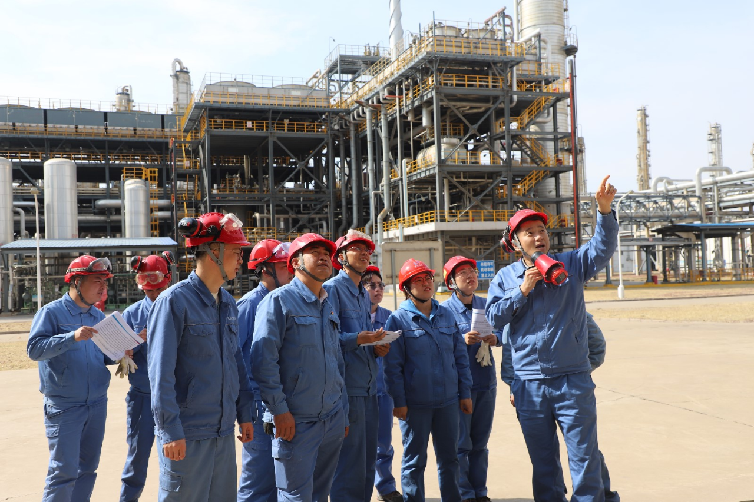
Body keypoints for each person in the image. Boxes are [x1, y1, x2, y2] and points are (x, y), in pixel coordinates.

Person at [485, 175, 618, 501]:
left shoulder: (570, 264)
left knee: (584, 457)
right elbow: (494, 318)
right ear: (515, 242)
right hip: (529, 384)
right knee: (543, 462)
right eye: (529, 232)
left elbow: (602, 249)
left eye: (542, 230)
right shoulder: (505, 278)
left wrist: (604, 212)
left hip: (572, 380)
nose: (539, 236)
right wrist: (522, 290)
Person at [147, 212, 254, 502]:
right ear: (213, 251)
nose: (241, 259)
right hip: (187, 434)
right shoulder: (173, 302)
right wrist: (170, 430)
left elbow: (236, 361)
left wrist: (245, 412)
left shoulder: (228, 302)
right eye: (236, 251)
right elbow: (160, 374)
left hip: (222, 432)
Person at [251, 233, 349, 502]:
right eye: (314, 252)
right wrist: (279, 411)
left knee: (320, 494)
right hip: (296, 423)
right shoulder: (278, 301)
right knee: (295, 496)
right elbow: (263, 362)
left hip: (332, 418)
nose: (323, 257)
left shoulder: (327, 303)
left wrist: (343, 412)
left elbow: (337, 361)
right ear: (295, 262)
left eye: (327, 254)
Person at [501, 312, 620, 502]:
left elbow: (597, 347)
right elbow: (509, 353)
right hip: (531, 392)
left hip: (571, 388)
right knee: (543, 456)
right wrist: (514, 385)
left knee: (584, 451)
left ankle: (603, 496)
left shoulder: (573, 310)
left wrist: (577, 373)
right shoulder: (518, 313)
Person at [384, 258, 473, 502]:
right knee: (414, 461)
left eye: (428, 278)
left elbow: (460, 358)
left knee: (450, 459)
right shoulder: (398, 320)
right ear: (406, 287)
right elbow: (393, 367)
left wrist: (465, 393)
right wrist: (399, 401)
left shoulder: (446, 315)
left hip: (448, 403)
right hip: (415, 406)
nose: (426, 284)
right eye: (418, 280)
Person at [27, 255, 114, 501]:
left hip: (97, 404)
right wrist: (71, 337)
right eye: (97, 281)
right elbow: (34, 350)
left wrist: (121, 355)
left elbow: (101, 356)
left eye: (105, 282)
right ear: (76, 282)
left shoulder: (98, 317)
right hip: (65, 407)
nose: (103, 287)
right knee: (63, 472)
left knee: (87, 469)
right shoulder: (51, 313)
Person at [325, 230, 387, 502]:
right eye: (357, 248)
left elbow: (361, 337)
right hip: (347, 389)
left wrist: (376, 347)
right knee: (349, 464)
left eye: (367, 249)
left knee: (367, 461)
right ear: (341, 256)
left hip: (369, 387)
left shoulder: (363, 293)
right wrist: (359, 339)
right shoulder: (332, 289)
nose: (364, 253)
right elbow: (327, 340)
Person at [441, 256, 502, 502]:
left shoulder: (487, 305)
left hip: (486, 382)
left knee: (480, 443)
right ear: (451, 282)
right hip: (459, 387)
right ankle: (465, 494)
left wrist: (495, 338)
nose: (470, 276)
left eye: (472, 271)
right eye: (463, 273)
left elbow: (504, 331)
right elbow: (437, 346)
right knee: (460, 444)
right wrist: (460, 340)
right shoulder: (443, 312)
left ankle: (480, 492)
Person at [237, 239, 293, 502]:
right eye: (283, 266)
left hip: (282, 400)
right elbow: (234, 357)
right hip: (258, 405)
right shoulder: (249, 305)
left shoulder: (286, 301)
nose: (290, 271)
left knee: (279, 476)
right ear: (265, 269)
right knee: (258, 478)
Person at [119, 252, 175, 502]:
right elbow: (118, 357)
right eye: (148, 291)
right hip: (142, 398)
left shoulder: (179, 309)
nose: (153, 295)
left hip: (174, 399)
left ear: (168, 281)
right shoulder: (131, 314)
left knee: (174, 462)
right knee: (137, 459)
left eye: (158, 290)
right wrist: (131, 345)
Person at [363, 266, 402, 502]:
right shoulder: (352, 317)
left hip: (383, 391)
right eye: (372, 286)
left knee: (383, 443)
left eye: (381, 286)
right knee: (355, 444)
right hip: (357, 391)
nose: (378, 290)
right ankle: (358, 490)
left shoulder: (389, 317)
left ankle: (386, 487)